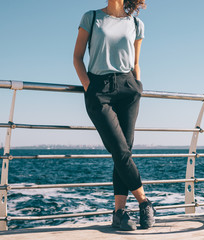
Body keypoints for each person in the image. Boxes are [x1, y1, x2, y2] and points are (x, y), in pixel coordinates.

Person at [73, 0, 155, 231]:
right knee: (120, 150)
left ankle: (119, 213)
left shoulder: (136, 24)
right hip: (99, 90)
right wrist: (89, 86)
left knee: (123, 152)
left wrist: (137, 86)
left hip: (128, 89)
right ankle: (144, 202)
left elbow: (136, 62)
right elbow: (77, 57)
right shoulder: (91, 17)